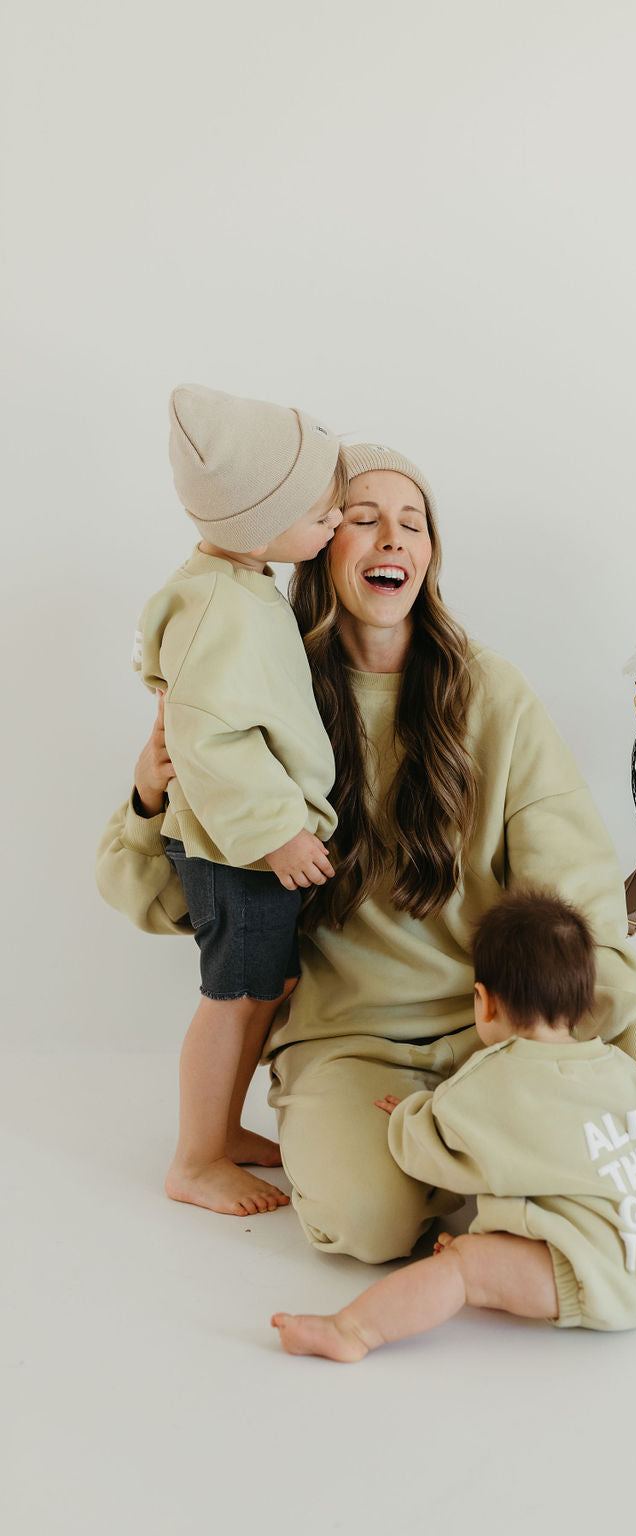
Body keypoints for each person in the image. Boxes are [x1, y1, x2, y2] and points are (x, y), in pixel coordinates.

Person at [97, 429, 636, 1263]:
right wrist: (147, 794)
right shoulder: (256, 688)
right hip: (346, 1043)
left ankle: (473, 1158)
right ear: (316, 544)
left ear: (430, 555)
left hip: (503, 1029)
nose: (392, 539)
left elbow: (576, 893)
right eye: (362, 517)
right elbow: (174, 902)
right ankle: (455, 1166)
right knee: (366, 1228)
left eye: (413, 523)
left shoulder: (492, 692)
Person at [271, 888, 636, 1361]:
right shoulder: (621, 1068)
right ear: (582, 1004)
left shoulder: (496, 1079)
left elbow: (435, 1156)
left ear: (484, 1003)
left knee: (462, 1268)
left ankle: (354, 1330)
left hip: (589, 1276)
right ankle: (510, 1244)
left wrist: (412, 1115)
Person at [125, 384, 346, 1218]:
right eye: (321, 516)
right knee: (234, 997)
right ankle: (195, 1157)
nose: (332, 527)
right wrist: (277, 833)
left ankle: (224, 1127)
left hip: (242, 844)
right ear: (259, 522)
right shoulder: (225, 606)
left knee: (266, 986)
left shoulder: (241, 583)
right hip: (235, 848)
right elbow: (208, 738)